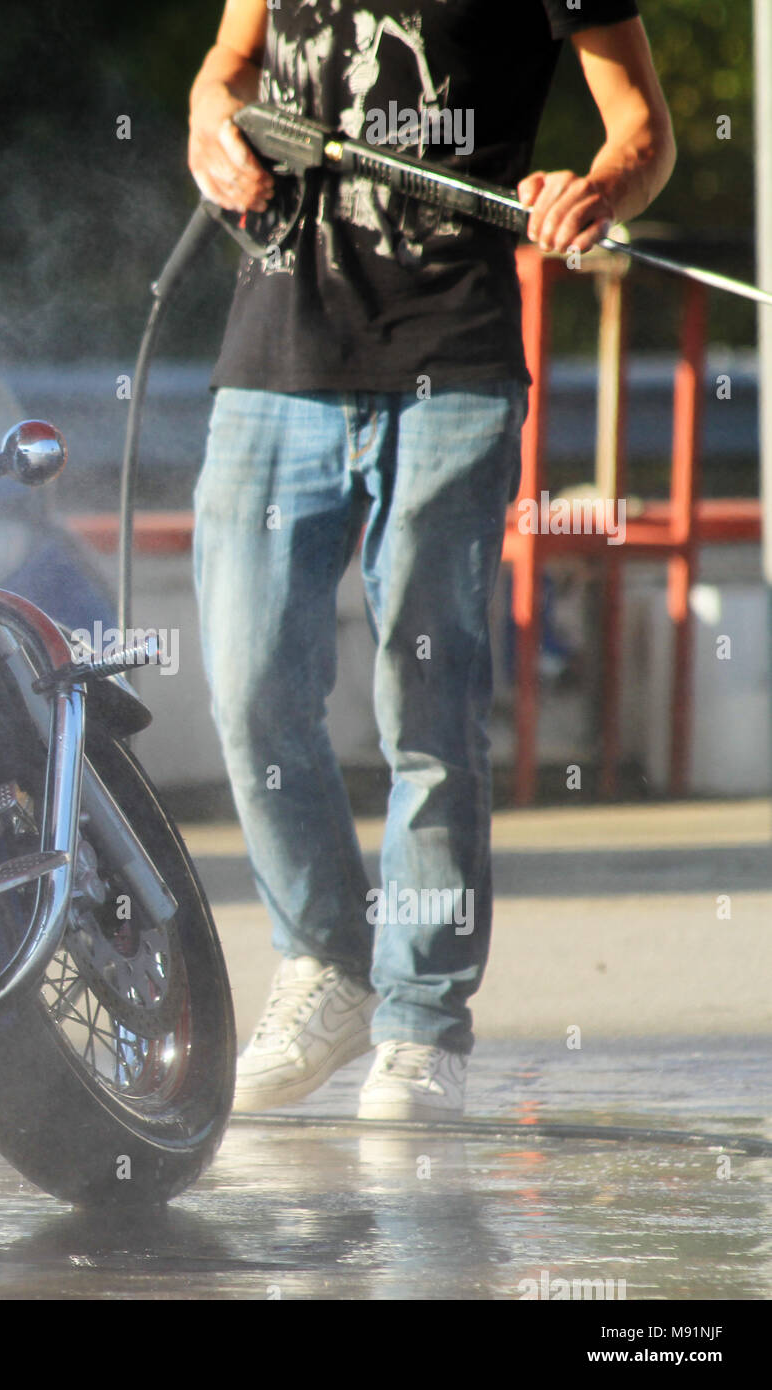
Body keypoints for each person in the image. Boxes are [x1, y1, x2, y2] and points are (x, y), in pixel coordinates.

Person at [187, 0, 674, 1119]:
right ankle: (327, 965)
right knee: (250, 682)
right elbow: (230, 58)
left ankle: (420, 1021)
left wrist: (591, 188)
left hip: (452, 358)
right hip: (273, 350)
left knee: (429, 698)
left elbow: (641, 129)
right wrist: (214, 121)